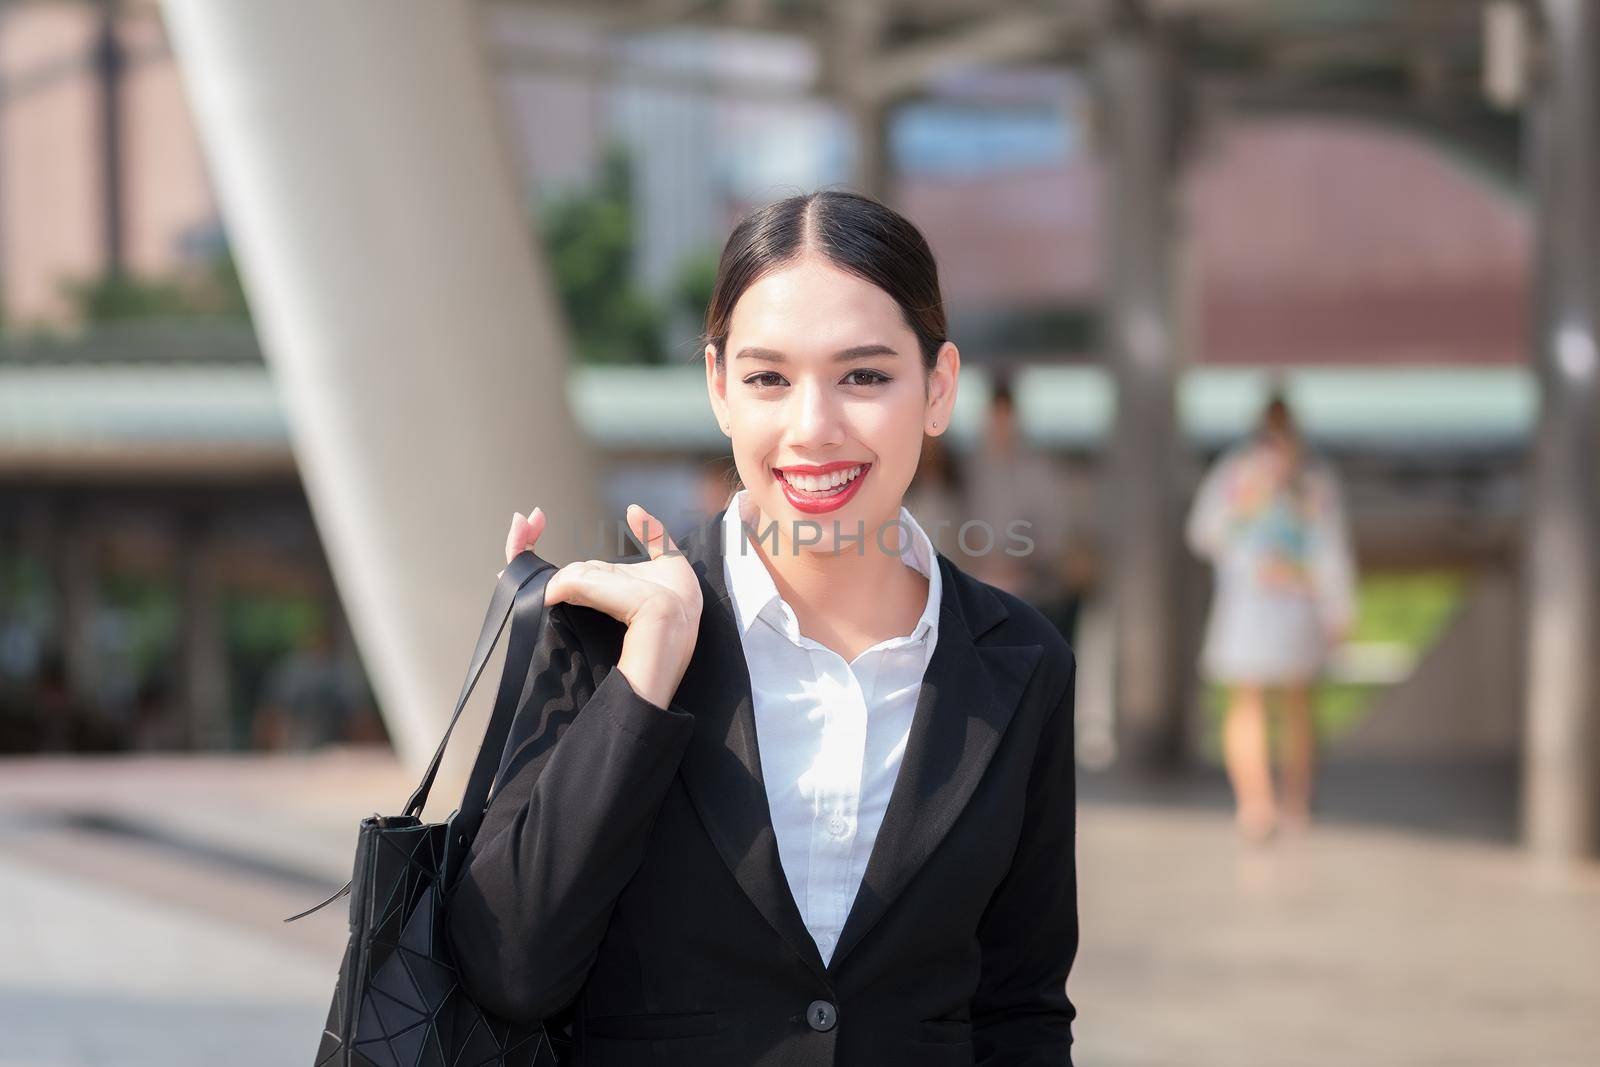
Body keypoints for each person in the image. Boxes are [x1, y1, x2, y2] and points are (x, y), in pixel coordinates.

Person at [445, 190, 1081, 1065]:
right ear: (718, 388)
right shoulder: (609, 633)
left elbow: (1022, 1011)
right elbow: (508, 967)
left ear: (938, 389)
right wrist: (643, 682)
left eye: (864, 375)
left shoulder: (1022, 662)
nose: (812, 427)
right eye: (768, 377)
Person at [1184, 393, 1357, 843]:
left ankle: (1296, 798)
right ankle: (1255, 803)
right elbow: (1203, 533)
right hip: (1247, 605)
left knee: (1298, 701)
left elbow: (1330, 548)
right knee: (1247, 699)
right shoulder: (1236, 474)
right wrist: (1247, 504)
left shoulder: (1314, 479)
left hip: (1298, 604)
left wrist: (1338, 607)